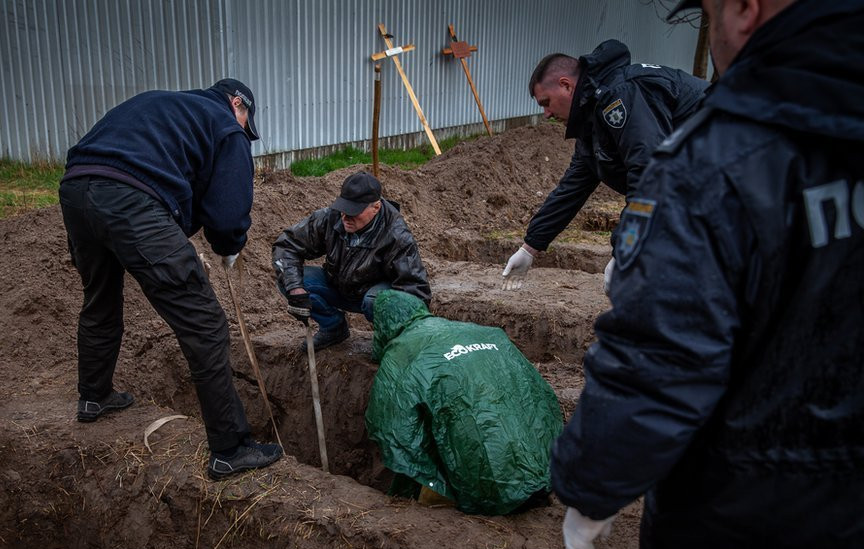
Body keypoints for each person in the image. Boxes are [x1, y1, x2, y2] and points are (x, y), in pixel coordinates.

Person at [550, 0, 864, 547]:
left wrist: (588, 488)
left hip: (744, 510)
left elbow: (660, 357)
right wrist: (532, 243)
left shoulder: (720, 160)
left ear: (743, 10)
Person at [58, 78, 282, 480]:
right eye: (246, 121)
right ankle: (230, 449)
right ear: (237, 104)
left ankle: (94, 397)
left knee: (100, 297)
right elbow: (227, 213)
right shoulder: (226, 125)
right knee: (205, 323)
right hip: (130, 198)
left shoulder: (167, 107)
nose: (244, 131)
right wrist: (229, 245)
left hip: (76, 190)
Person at [501, 39, 709, 290]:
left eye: (546, 102)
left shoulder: (622, 96)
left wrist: (623, 251)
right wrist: (530, 247)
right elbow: (572, 189)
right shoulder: (593, 119)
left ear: (566, 85)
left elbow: (649, 174)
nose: (546, 114)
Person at [365, 290, 563, 515]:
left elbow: (391, 426)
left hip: (486, 488)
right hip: (546, 467)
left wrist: (420, 477)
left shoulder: (400, 352)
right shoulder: (486, 332)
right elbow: (540, 393)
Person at [272, 172, 431, 351]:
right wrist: (296, 289)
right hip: (340, 287)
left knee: (378, 301)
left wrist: (406, 330)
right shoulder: (330, 217)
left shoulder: (396, 235)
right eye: (344, 208)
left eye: (354, 211)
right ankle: (333, 327)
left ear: (376, 207)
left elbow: (416, 290)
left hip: (372, 297)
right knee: (290, 279)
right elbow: (287, 245)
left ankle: (390, 341)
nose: (345, 217)